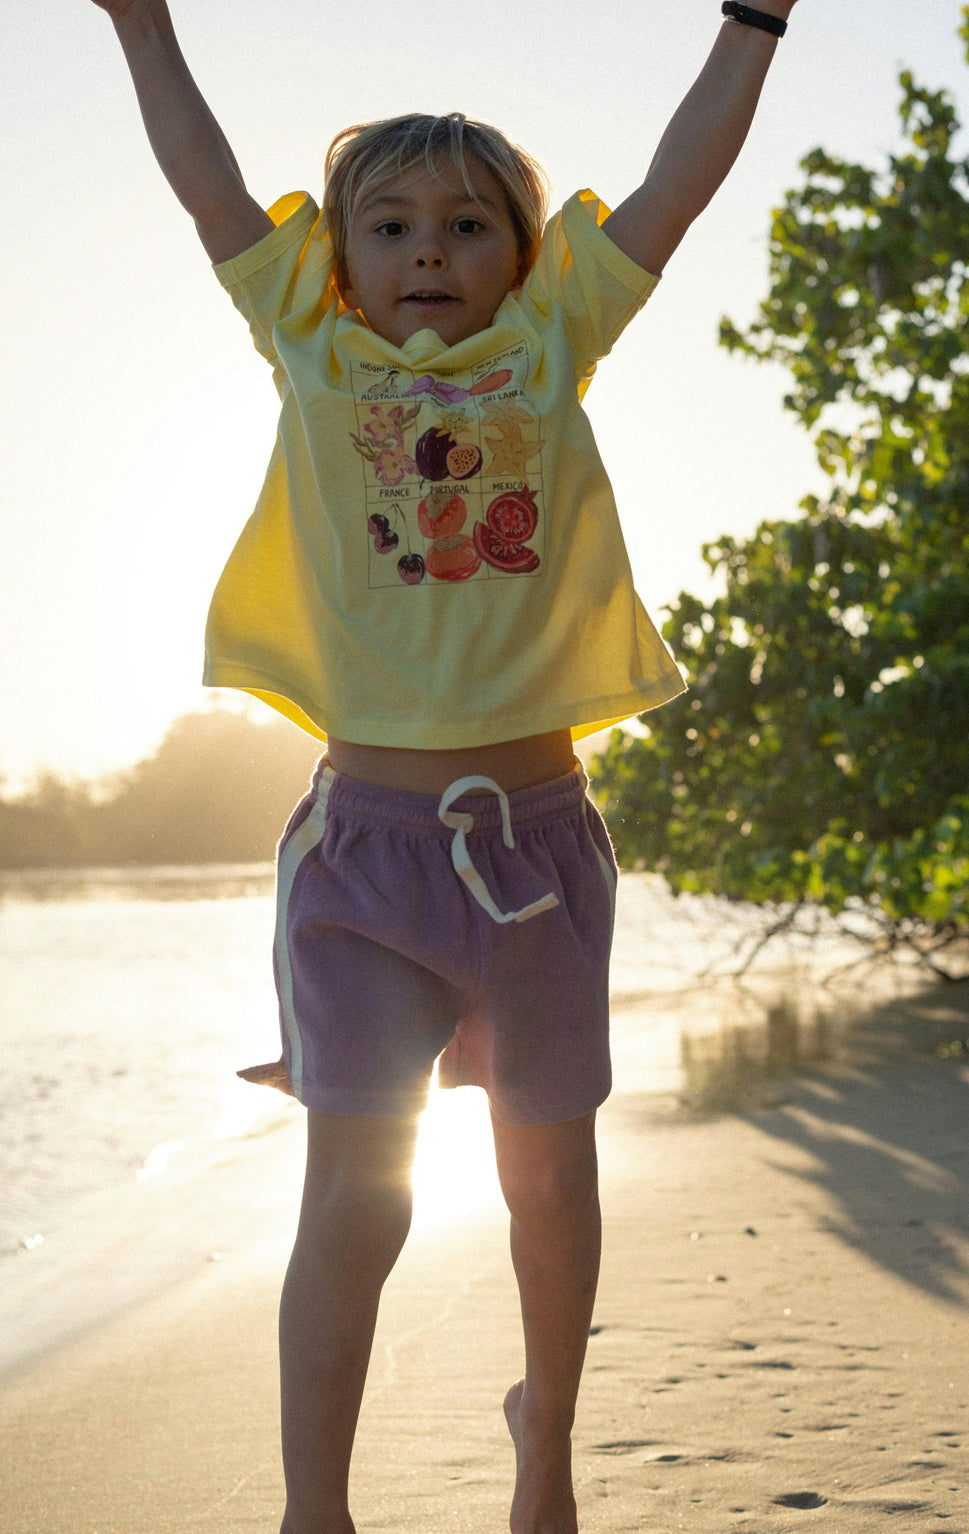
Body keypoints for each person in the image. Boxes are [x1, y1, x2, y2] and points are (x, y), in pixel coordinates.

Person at [89, 2, 799, 1530]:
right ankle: (313, 1508)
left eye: (469, 226)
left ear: (523, 259)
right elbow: (211, 186)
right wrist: (141, 25)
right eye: (393, 223)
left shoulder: (555, 337)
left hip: (537, 854)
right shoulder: (309, 336)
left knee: (549, 1184)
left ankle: (546, 1445)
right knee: (354, 1202)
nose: (428, 250)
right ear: (341, 258)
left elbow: (677, 183)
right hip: (362, 860)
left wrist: (753, 24)